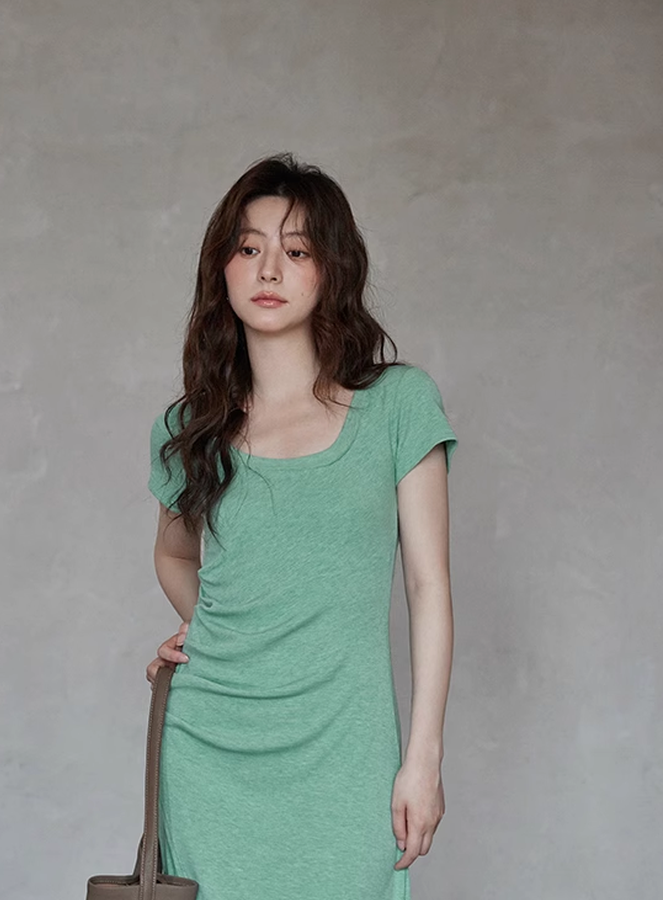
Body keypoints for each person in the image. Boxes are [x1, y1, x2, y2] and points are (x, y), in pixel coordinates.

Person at [145, 152, 458, 900]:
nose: (269, 270)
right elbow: (173, 555)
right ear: (222, 270)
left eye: (296, 251)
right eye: (248, 248)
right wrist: (212, 632)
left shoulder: (399, 406)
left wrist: (423, 758)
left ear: (331, 270)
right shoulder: (189, 428)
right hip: (209, 747)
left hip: (346, 750)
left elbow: (429, 588)